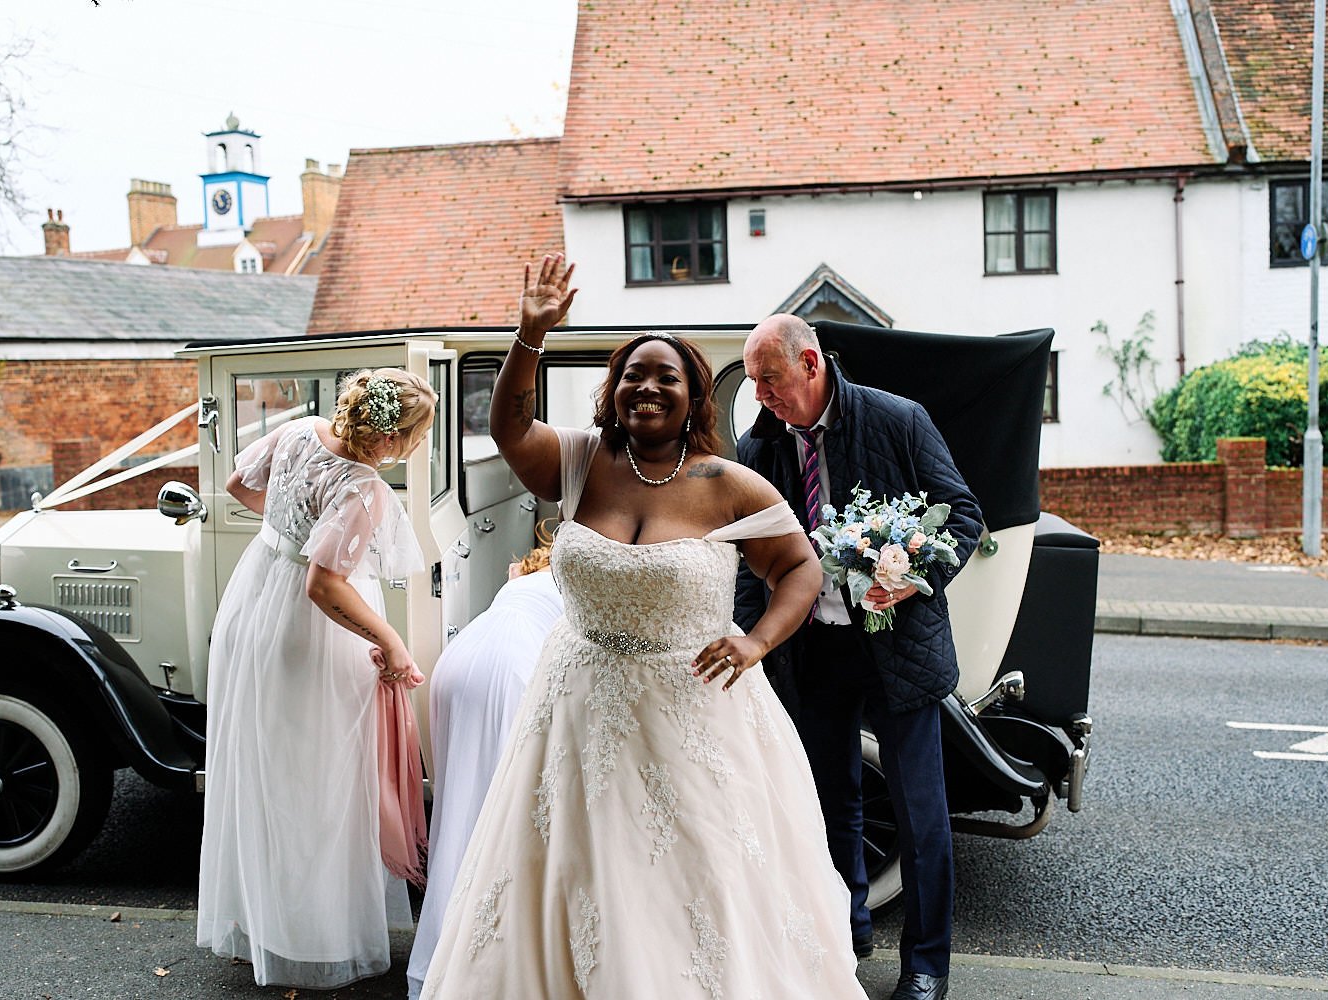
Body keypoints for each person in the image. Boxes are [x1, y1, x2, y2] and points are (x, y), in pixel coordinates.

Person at [420, 255, 869, 999]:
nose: (648, 387)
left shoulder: (727, 485)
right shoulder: (577, 460)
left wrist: (756, 643)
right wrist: (530, 332)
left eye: (667, 377)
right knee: (576, 871)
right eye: (633, 374)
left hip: (693, 712)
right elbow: (507, 425)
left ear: (695, 396)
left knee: (694, 879)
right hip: (576, 709)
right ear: (613, 389)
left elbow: (801, 570)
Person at [735, 315, 982, 1000]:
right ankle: (846, 929)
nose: (760, 395)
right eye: (754, 381)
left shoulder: (899, 420)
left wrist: (907, 577)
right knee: (828, 803)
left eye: (770, 379)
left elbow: (962, 517)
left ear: (811, 364)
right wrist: (752, 645)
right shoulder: (756, 448)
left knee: (920, 815)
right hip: (810, 650)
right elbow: (745, 560)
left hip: (899, 649)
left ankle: (927, 966)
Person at [196, 367, 437, 989]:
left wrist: (288, 530)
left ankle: (263, 923)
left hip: (254, 600)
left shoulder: (300, 430)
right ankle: (312, 936)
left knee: (266, 766)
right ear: (390, 440)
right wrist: (391, 641)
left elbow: (238, 484)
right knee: (319, 776)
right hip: (312, 632)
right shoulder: (363, 490)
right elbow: (325, 584)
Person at [405, 536, 563, 999]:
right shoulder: (582, 581)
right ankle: (487, 957)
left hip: (458, 662)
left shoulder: (522, 576)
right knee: (505, 815)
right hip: (513, 666)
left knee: (459, 808)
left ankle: (445, 948)